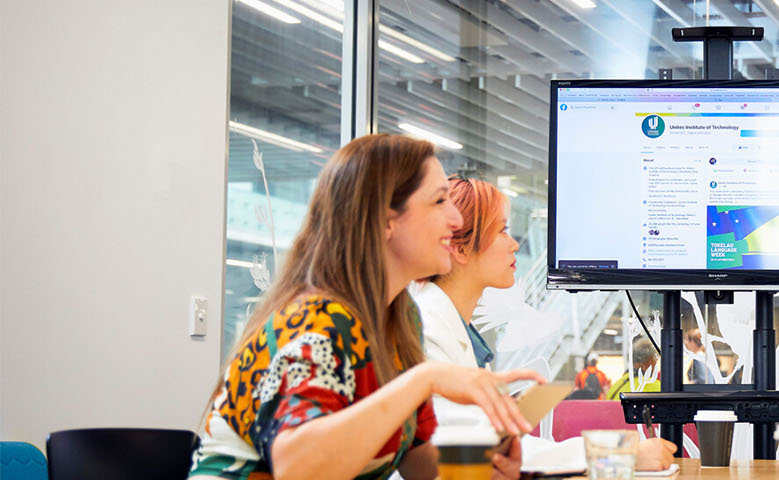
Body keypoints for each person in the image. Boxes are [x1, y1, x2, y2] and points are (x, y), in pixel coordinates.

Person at [190, 134, 544, 480]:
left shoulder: (400, 318)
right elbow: (298, 469)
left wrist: (487, 464)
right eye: (439, 202)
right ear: (387, 219)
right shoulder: (318, 319)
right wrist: (424, 379)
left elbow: (419, 463)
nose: (455, 220)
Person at [411, 176, 675, 472]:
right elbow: (465, 448)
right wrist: (620, 454)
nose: (513, 245)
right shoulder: (427, 329)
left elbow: (496, 447)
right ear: (459, 249)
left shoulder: (454, 329)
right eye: (501, 231)